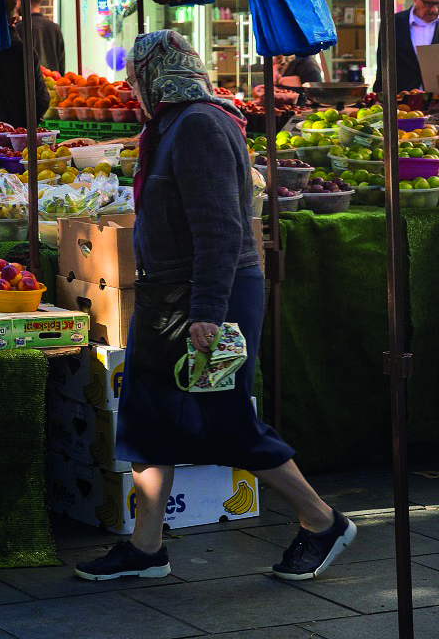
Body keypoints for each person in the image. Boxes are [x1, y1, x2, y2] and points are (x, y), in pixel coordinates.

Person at [76, 30, 354, 583]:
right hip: (170, 295)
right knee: (147, 419)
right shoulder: (172, 124)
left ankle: (322, 522)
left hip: (208, 297)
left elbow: (221, 228)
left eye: (137, 76)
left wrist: (208, 310)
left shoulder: (198, 124)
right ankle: (146, 547)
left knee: (224, 420)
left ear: (156, 74)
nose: (133, 87)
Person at [377, 0, 439, 97]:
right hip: (401, 104)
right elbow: (382, 67)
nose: (434, 10)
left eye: (438, 3)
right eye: (428, 3)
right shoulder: (393, 24)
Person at [21, 0, 68, 74]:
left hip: (33, 84)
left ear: (24, 2)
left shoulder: (21, 28)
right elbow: (61, 63)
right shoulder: (55, 28)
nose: (17, 5)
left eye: (18, 1)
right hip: (54, 82)